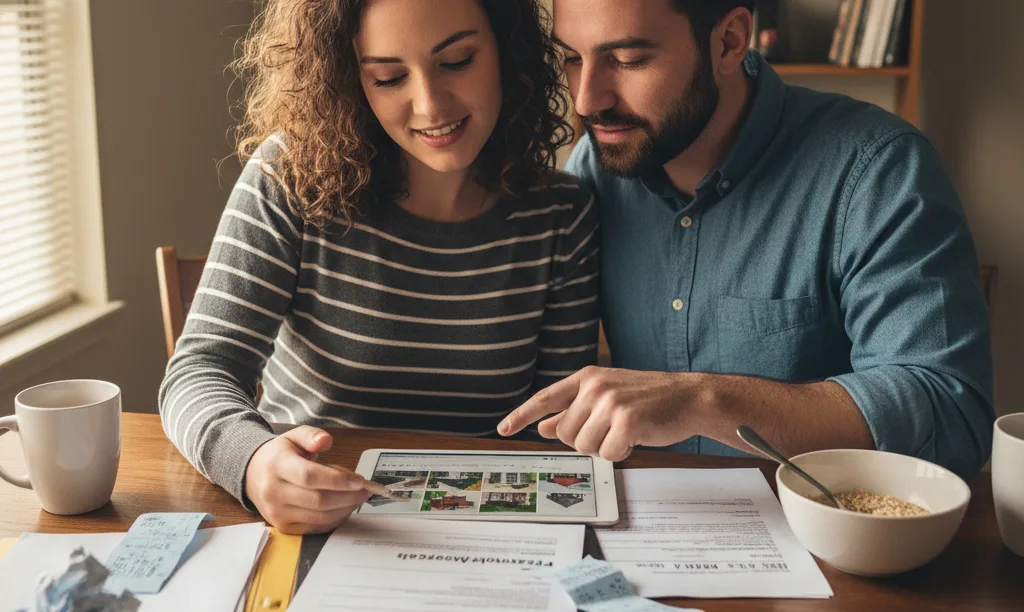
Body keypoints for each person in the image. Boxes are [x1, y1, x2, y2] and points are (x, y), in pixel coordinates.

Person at [499, 0, 994, 479]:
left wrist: (706, 401)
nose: (587, 100)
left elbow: (951, 416)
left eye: (628, 60)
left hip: (824, 543)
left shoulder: (876, 169)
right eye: (570, 57)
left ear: (728, 42)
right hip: (647, 526)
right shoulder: (595, 168)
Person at [159, 0, 599, 534]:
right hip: (319, 522)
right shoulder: (290, 179)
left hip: (489, 532)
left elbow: (554, 432)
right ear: (350, 81)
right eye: (389, 77)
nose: (430, 105)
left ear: (508, 51)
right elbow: (200, 370)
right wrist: (254, 463)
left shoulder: (561, 214)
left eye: (457, 61)